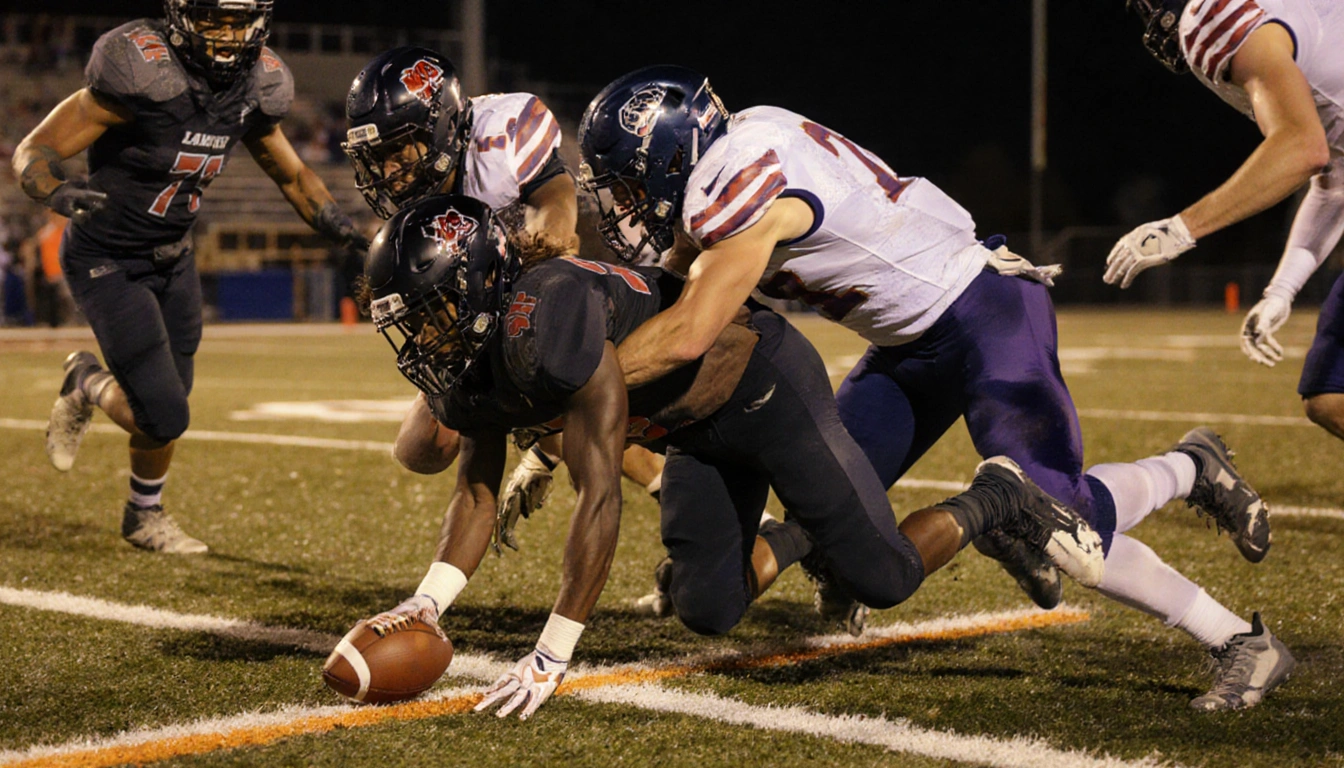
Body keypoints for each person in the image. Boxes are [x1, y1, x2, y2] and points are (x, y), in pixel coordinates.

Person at [577, 65, 1293, 711]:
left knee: (1067, 527)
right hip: (908, 344)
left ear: (671, 157)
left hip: (984, 313)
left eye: (628, 183)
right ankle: (1144, 482)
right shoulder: (743, 141)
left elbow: (691, 329)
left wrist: (576, 386)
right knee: (825, 505)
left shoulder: (734, 188)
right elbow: (682, 271)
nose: (623, 203)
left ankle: (1235, 626)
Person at [351, 193, 1103, 720]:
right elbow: (474, 490)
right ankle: (808, 532)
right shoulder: (474, 358)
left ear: (482, 282)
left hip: (762, 391)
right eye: (408, 321)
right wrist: (426, 603)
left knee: (884, 578)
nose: (423, 338)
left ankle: (998, 495)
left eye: (431, 313)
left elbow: (601, 492)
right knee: (707, 609)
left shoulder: (549, 315)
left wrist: (552, 652)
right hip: (691, 432)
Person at [14, 0, 370, 554]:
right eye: (212, 20)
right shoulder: (141, 73)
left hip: (175, 258)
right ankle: (86, 381)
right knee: (164, 414)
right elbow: (34, 149)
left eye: (237, 21)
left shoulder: (253, 89)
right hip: (109, 258)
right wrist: (54, 189)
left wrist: (343, 229)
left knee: (169, 402)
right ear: (181, 18)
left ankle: (143, 515)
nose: (226, 35)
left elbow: (294, 176)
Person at [340, 46, 664, 540]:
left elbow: (558, 222)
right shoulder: (417, 187)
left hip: (565, 278)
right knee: (421, 446)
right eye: (376, 156)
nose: (387, 171)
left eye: (398, 149)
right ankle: (555, 433)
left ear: (442, 126)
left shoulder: (499, 137)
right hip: (490, 300)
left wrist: (530, 308)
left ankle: (576, 445)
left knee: (585, 405)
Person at [1114, 0, 1344, 452]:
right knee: (1330, 397)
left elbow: (1303, 147)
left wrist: (1180, 229)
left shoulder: (1210, 14)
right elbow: (1335, 185)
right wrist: (1281, 291)